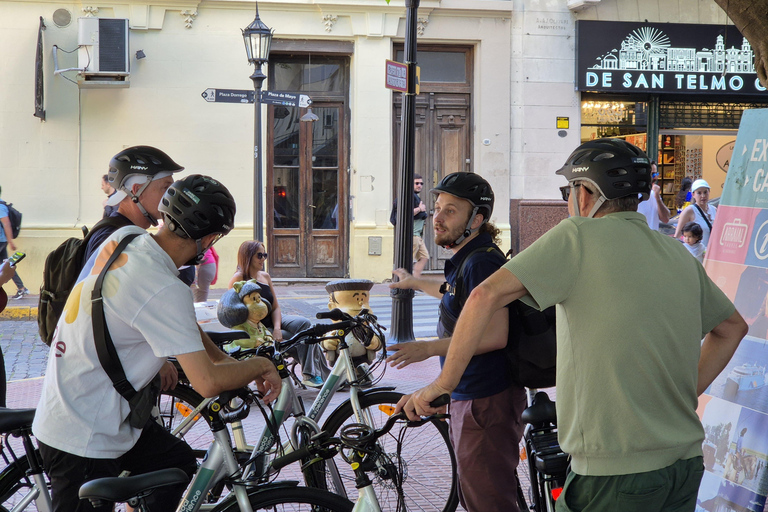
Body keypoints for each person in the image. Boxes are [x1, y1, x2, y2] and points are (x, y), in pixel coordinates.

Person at [397, 138, 747, 512]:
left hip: (614, 470)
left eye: (569, 190)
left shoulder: (577, 237)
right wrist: (681, 395)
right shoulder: (674, 252)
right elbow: (731, 328)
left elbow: (484, 297)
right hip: (685, 463)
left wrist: (441, 384)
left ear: (586, 195)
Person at [32, 175, 281, 512]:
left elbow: (183, 326)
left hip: (76, 405)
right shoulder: (166, 287)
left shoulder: (126, 238)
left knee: (175, 461)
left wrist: (227, 361)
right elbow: (206, 383)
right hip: (82, 437)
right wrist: (261, 365)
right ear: (209, 238)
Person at [388, 172, 525, 512]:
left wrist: (428, 348)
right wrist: (414, 282)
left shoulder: (481, 262)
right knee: (478, 493)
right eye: (437, 208)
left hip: (485, 400)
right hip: (473, 397)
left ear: (476, 218)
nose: (437, 217)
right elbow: (454, 294)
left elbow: (494, 336)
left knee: (488, 500)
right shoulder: (468, 259)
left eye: (450, 210)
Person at [228, 240, 330, 388]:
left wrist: (276, 329)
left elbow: (275, 307)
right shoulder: (238, 279)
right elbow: (233, 312)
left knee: (306, 325)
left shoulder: (265, 276)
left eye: (265, 255)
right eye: (259, 255)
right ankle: (320, 376)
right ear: (248, 256)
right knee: (304, 338)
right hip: (258, 328)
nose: (263, 259)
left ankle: (309, 374)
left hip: (275, 320)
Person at [85, 146, 182, 263]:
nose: (170, 195)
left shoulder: (123, 233)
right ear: (137, 190)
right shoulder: (115, 239)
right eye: (165, 187)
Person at [391, 174, 430, 277]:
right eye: (416, 183)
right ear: (410, 184)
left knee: (424, 257)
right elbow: (404, 214)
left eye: (421, 183)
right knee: (407, 261)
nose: (419, 185)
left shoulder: (414, 197)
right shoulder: (407, 197)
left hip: (417, 236)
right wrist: (419, 209)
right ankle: (403, 282)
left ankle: (414, 281)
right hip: (412, 235)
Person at [0, 186, 28, 299]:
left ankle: (22, 289)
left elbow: (6, 224)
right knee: (7, 265)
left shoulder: (0, 207)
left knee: (6, 265)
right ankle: (22, 288)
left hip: (0, 241)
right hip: (2, 241)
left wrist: (10, 241)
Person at [675, 179, 717, 248]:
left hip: (712, 254)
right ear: (693, 194)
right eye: (699, 193)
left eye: (705, 192)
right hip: (696, 255)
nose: (703, 196)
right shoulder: (689, 211)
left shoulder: (714, 210)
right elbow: (677, 236)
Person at [636, 164, 670, 230]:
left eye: (656, 174)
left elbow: (665, 219)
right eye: (652, 174)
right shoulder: (633, 195)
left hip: (652, 237)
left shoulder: (654, 194)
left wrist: (657, 198)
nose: (655, 178)